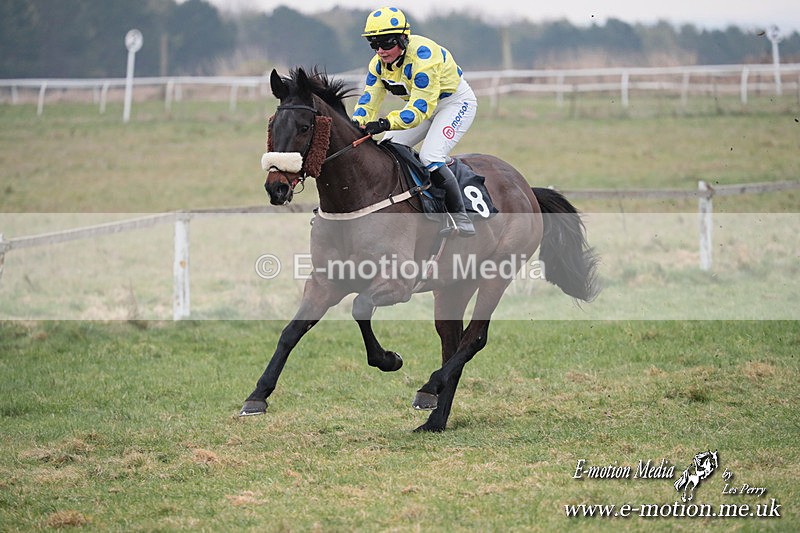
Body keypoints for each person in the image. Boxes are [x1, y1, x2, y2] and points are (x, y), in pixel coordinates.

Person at [352, 6, 477, 236]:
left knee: (430, 156)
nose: (380, 50)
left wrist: (384, 123)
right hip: (424, 105)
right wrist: (356, 124)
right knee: (389, 148)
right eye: (374, 44)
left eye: (387, 43)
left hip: (454, 104)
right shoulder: (377, 65)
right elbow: (368, 101)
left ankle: (461, 218)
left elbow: (418, 111)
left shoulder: (424, 58)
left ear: (403, 38)